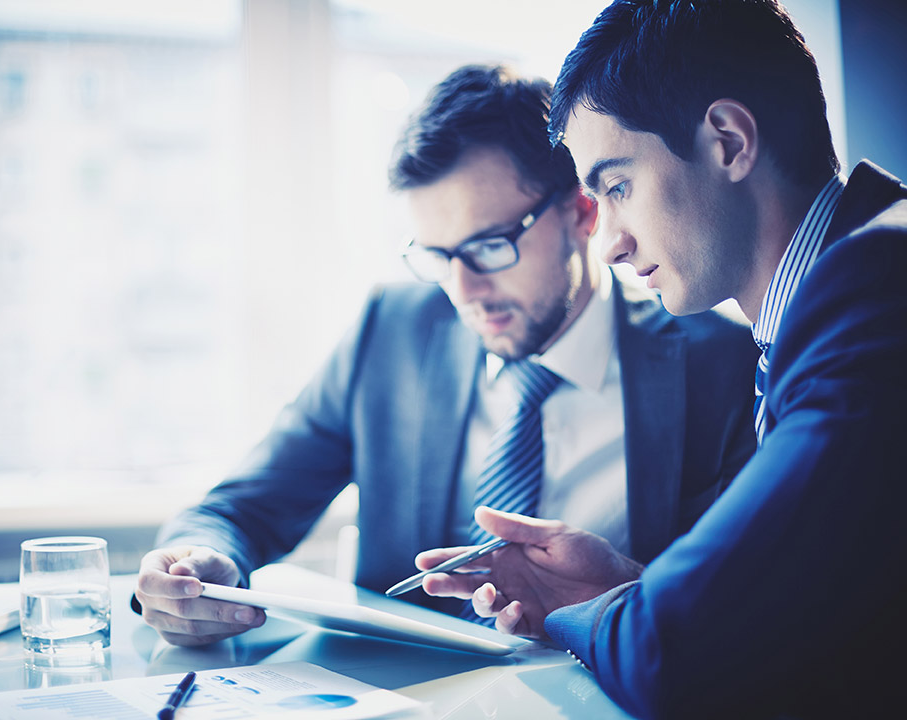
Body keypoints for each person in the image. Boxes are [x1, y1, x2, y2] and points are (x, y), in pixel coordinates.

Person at [133, 64, 757, 648]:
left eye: (488, 247)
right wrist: (196, 562)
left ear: (581, 212)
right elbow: (242, 506)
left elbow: (746, 609)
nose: (464, 292)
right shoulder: (393, 332)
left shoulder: (719, 367)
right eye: (438, 256)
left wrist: (630, 593)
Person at [418, 2, 907, 718]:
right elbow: (821, 621)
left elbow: (675, 654)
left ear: (730, 142)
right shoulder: (831, 295)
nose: (608, 242)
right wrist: (631, 593)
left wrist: (589, 613)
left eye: (617, 186)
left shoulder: (872, 290)